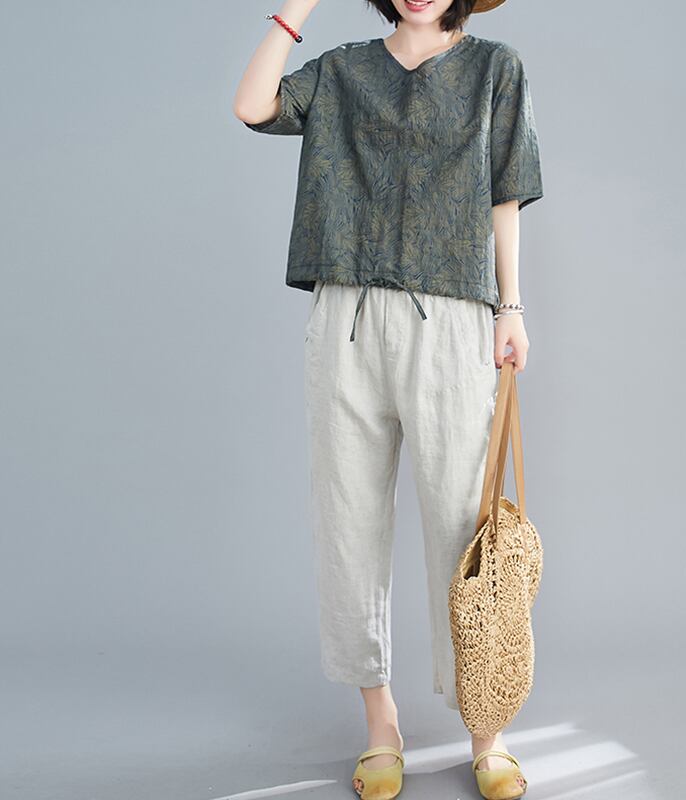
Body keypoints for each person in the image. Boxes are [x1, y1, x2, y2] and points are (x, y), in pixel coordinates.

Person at [233, 1, 543, 797]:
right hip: (346, 315)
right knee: (348, 524)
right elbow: (252, 105)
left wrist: (511, 305)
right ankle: (381, 724)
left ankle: (486, 729)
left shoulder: (495, 68)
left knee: (464, 527)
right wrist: (297, 8)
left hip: (453, 316)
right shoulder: (343, 70)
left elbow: (506, 190)